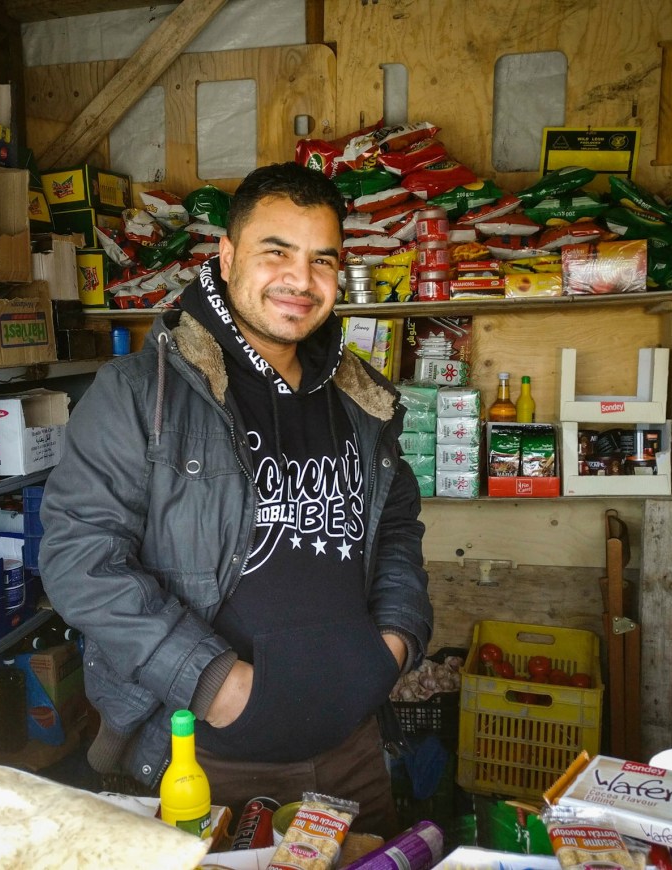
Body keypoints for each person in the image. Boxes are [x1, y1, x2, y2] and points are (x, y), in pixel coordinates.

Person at [39, 161, 432, 837]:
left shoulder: (359, 396)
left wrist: (393, 643)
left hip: (352, 749)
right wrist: (214, 684)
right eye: (275, 252)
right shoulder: (140, 393)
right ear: (225, 257)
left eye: (322, 260)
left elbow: (395, 525)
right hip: (211, 759)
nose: (300, 281)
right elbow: (80, 561)